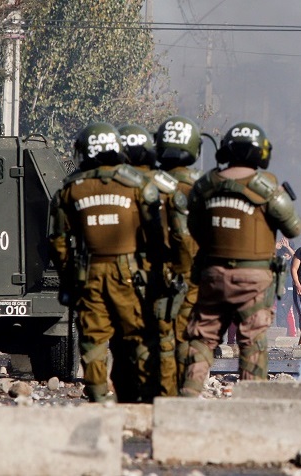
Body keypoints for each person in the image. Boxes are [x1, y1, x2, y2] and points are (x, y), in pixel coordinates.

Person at [178, 122, 301, 395]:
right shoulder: (267, 188)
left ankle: (187, 394)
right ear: (261, 153)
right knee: (252, 340)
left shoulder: (207, 183)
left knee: (202, 336)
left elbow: (193, 225)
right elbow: (293, 229)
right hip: (254, 278)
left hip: (212, 273)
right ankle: (252, 399)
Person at [49, 122, 163, 403]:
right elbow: (156, 236)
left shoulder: (70, 189)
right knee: (136, 335)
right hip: (131, 273)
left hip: (89, 272)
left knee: (93, 339)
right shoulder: (138, 184)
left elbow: (58, 241)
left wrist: (68, 276)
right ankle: (142, 398)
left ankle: (99, 398)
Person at [118, 123, 184, 398]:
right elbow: (182, 234)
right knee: (163, 338)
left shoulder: (103, 183)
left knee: (122, 340)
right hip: (156, 273)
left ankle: (128, 399)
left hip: (118, 272)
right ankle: (165, 399)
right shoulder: (164, 184)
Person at [155, 115, 204, 390]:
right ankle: (183, 392)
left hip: (149, 273)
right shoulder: (203, 186)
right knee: (188, 336)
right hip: (192, 275)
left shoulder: (144, 183)